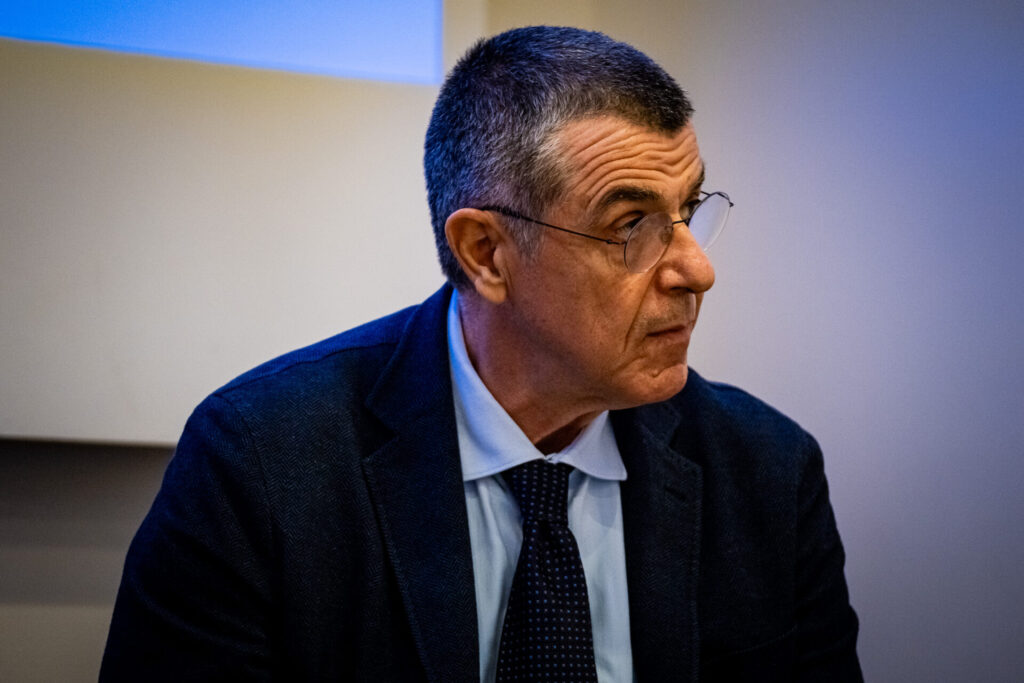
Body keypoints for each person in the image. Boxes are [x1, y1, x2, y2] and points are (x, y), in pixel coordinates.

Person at [101, 26, 862, 682]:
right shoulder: (262, 466)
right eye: (632, 226)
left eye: (689, 210)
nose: (697, 270)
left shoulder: (768, 472)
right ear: (486, 253)